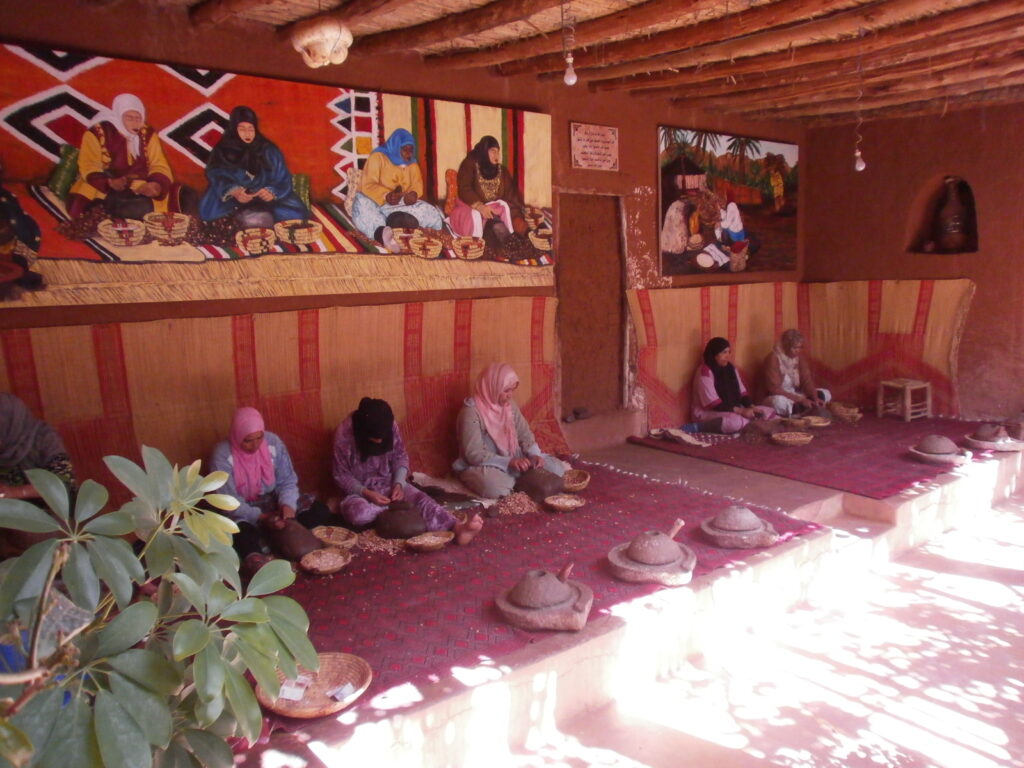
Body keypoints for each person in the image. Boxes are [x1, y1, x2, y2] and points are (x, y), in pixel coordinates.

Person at [333, 398, 482, 543]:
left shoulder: (390, 425)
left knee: (423, 500)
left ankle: (457, 528)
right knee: (359, 514)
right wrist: (367, 493)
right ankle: (395, 511)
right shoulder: (345, 434)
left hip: (389, 484)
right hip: (360, 492)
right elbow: (342, 475)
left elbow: (400, 456)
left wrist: (398, 484)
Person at [209, 406, 330, 568]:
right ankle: (263, 546)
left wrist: (287, 506)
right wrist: (262, 518)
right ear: (237, 435)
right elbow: (228, 501)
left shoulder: (272, 443)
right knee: (237, 531)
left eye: (259, 437)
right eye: (248, 440)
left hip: (272, 501)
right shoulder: (222, 455)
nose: (255, 445)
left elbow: (287, 480)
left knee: (319, 510)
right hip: (243, 508)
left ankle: (272, 537)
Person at [66, 93, 189, 222]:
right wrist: (109, 182)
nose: (135, 122)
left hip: (139, 185)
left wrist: (156, 184)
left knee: (182, 195)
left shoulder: (147, 134)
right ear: (119, 116)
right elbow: (88, 165)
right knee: (95, 207)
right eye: (129, 118)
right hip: (104, 186)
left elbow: (158, 164)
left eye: (138, 118)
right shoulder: (98, 133)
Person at [454, 363, 565, 498]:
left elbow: (525, 435)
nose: (510, 395)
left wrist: (534, 455)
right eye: (506, 390)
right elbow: (473, 454)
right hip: (484, 464)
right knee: (495, 487)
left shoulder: (509, 406)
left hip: (516, 460)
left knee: (557, 469)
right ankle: (524, 481)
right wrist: (508, 462)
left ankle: (523, 480)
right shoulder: (471, 412)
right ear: (492, 387)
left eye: (512, 390)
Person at [199, 106, 309, 227]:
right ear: (234, 129)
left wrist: (271, 191)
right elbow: (216, 173)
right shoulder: (223, 149)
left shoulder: (268, 149)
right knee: (213, 215)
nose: (247, 134)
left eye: (251, 129)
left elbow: (282, 177)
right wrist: (234, 191)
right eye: (242, 129)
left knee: (294, 215)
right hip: (234, 201)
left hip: (267, 201)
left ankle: (257, 220)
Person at [351, 129, 444, 250]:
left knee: (428, 210)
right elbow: (367, 185)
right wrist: (386, 195)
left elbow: (417, 185)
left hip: (399, 206)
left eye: (411, 151)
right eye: (405, 150)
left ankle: (399, 223)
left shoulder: (412, 164)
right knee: (361, 205)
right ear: (395, 146)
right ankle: (382, 233)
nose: (409, 155)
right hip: (375, 203)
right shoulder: (378, 157)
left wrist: (413, 194)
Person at [685, 337, 776, 434]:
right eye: (724, 352)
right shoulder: (705, 372)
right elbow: (713, 404)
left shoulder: (731, 368)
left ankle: (748, 423)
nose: (727, 356)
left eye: (729, 352)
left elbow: (742, 394)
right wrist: (741, 411)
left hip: (733, 409)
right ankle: (699, 427)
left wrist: (752, 407)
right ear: (714, 354)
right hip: (707, 413)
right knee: (737, 422)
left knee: (768, 412)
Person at [448, 136, 525, 247]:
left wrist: (520, 217)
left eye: (498, 152)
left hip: (495, 212)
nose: (496, 156)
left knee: (513, 231)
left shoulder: (502, 171)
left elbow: (511, 196)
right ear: (484, 151)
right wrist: (480, 207)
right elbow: (464, 189)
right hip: (471, 209)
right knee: (497, 230)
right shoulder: (470, 164)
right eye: (493, 151)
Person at [0, 393, 75, 500]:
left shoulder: (44, 438)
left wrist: (17, 492)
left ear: (9, 422)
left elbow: (65, 484)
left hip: (45, 512)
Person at [762, 329, 831, 417]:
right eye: (794, 347)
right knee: (778, 402)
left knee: (826, 393)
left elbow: (806, 381)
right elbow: (774, 389)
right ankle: (801, 409)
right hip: (778, 396)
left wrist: (815, 398)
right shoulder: (773, 359)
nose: (797, 351)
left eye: (800, 347)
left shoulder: (799, 359)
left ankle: (805, 408)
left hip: (795, 395)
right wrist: (800, 400)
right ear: (785, 346)